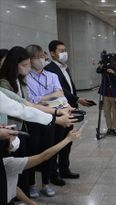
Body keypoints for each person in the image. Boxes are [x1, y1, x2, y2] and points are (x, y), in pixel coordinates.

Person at [1, 126, 81, 205]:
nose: (13, 136)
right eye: (10, 137)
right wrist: (68, 139)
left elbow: (11, 187)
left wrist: (30, 203)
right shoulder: (8, 163)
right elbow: (44, 156)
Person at [45, 40, 92, 185]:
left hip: (69, 108)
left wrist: (75, 101)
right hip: (58, 111)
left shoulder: (65, 67)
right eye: (61, 50)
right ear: (52, 53)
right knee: (57, 141)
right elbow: (60, 90)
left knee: (68, 140)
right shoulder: (50, 69)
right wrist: (77, 98)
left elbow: (69, 87)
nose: (64, 53)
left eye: (65, 50)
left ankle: (64, 169)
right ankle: (53, 174)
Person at [25, 44, 68, 197]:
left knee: (48, 150)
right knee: (33, 151)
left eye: (43, 56)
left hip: (51, 118)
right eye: (38, 57)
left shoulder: (52, 75)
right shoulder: (25, 77)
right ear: (30, 60)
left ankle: (46, 183)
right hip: (33, 120)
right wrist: (50, 96)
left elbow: (61, 94)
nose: (42, 60)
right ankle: (31, 185)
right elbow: (30, 99)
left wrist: (43, 99)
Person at [96, 53, 116, 136]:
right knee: (106, 112)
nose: (112, 63)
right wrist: (101, 65)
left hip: (114, 94)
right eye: (111, 61)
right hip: (105, 93)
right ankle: (109, 128)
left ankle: (115, 128)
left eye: (113, 62)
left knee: (115, 112)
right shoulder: (105, 68)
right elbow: (98, 71)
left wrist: (114, 73)